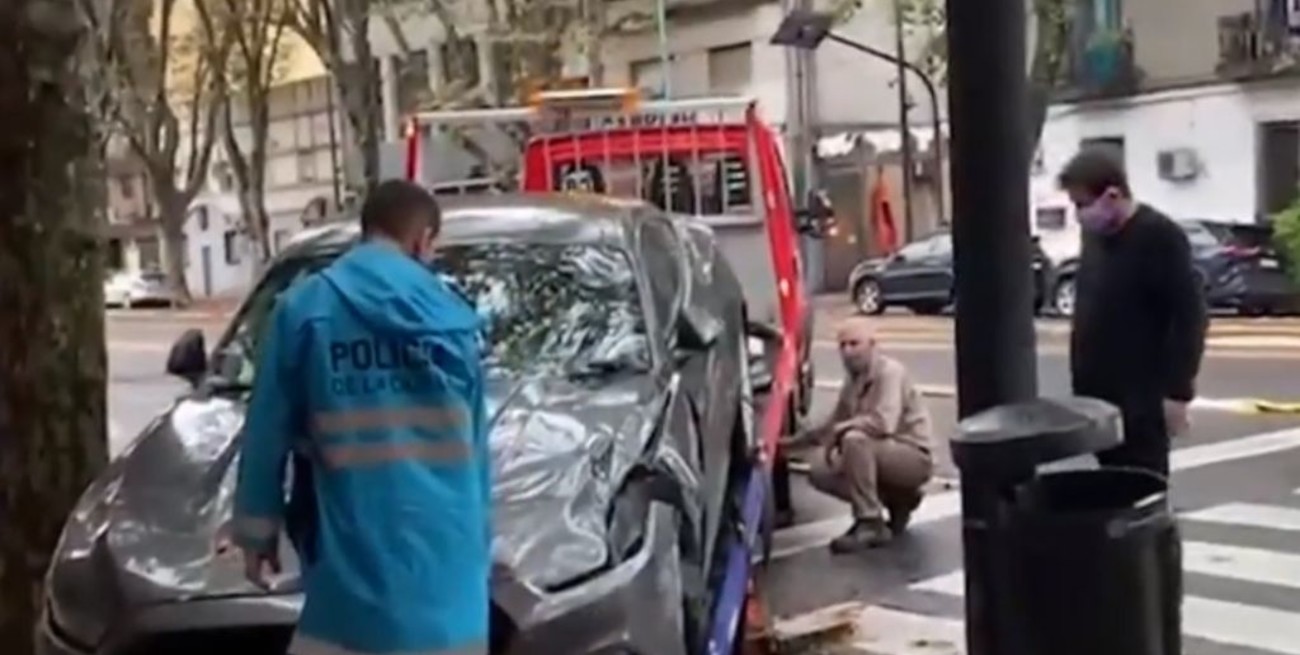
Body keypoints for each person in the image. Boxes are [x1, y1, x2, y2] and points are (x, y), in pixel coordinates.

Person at [232, 179, 491, 655]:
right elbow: (476, 452)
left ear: (365, 230)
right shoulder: (456, 318)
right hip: (449, 583)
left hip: (353, 575)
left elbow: (266, 431)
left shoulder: (306, 310)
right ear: (422, 240)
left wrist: (256, 531)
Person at [1060, 146, 1208, 478]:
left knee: (1142, 487)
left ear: (1112, 195)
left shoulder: (1160, 237)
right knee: (1109, 489)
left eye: (1083, 204)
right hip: (1098, 399)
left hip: (1142, 400)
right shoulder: (1095, 237)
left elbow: (1188, 317)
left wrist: (1177, 393)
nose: (1079, 214)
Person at [787, 316, 934, 553]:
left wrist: (841, 431)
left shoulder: (890, 373)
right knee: (820, 473)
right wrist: (787, 446)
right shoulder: (853, 381)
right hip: (881, 454)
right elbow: (831, 424)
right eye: (842, 345)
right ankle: (898, 499)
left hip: (913, 457)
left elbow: (882, 423)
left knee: (855, 440)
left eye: (855, 344)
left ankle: (870, 522)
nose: (847, 351)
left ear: (873, 345)